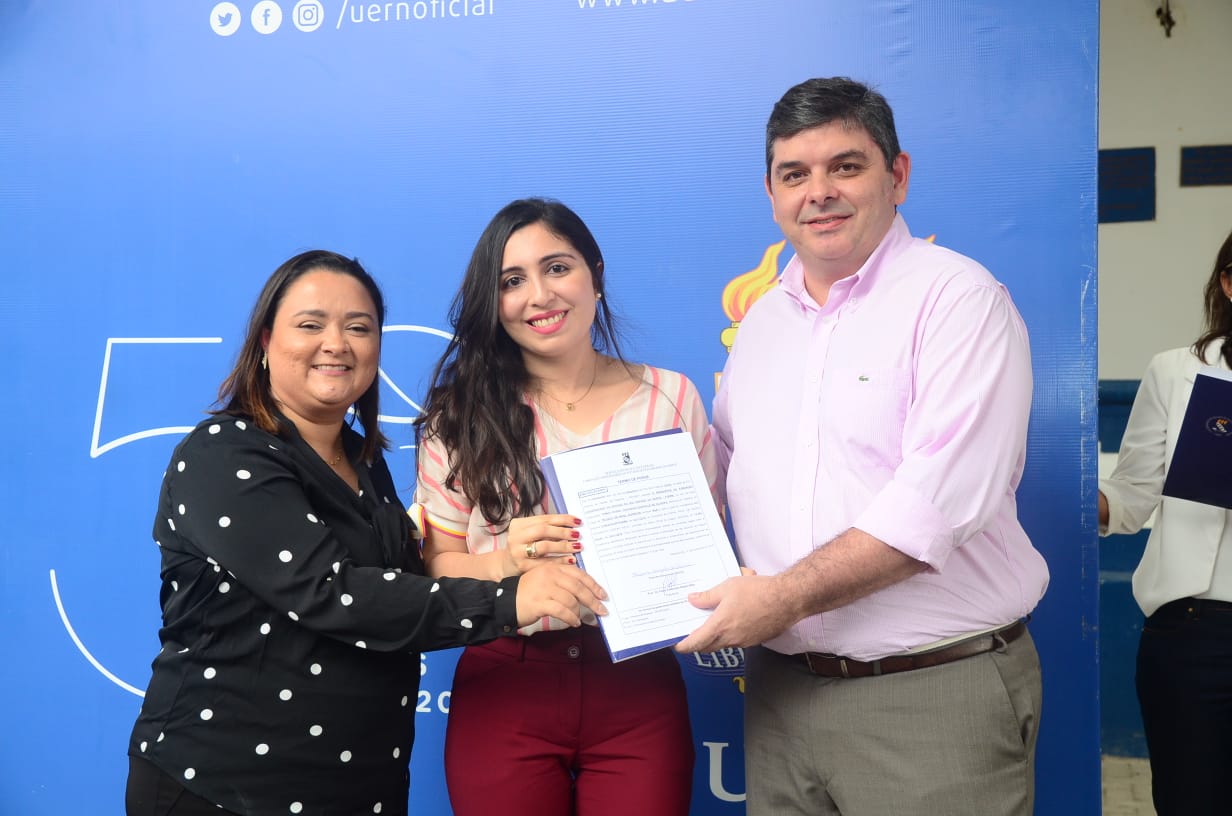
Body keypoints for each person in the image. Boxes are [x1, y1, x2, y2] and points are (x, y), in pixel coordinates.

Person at [675, 77, 1050, 816]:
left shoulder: (958, 300)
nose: (818, 192)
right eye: (794, 174)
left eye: (845, 166)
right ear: (772, 194)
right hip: (781, 699)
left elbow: (933, 506)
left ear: (897, 176)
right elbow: (730, 476)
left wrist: (780, 599)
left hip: (930, 695)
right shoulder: (761, 326)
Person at [125, 249, 607, 816]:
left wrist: (504, 561)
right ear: (265, 342)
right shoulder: (223, 455)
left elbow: (401, 586)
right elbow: (332, 592)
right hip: (224, 787)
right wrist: (511, 599)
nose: (336, 344)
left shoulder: (363, 463)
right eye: (311, 325)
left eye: (358, 328)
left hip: (359, 788)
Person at [413, 198, 712, 816]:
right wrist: (506, 564)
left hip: (638, 684)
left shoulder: (671, 397)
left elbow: (703, 545)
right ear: (493, 303)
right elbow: (436, 567)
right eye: (511, 281)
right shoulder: (458, 416)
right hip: (506, 679)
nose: (539, 295)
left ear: (594, 275)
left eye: (557, 268)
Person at [1098, 227, 1232, 816]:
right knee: (1190, 800)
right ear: (1227, 284)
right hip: (1192, 632)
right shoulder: (1176, 371)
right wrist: (1073, 498)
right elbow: (1132, 495)